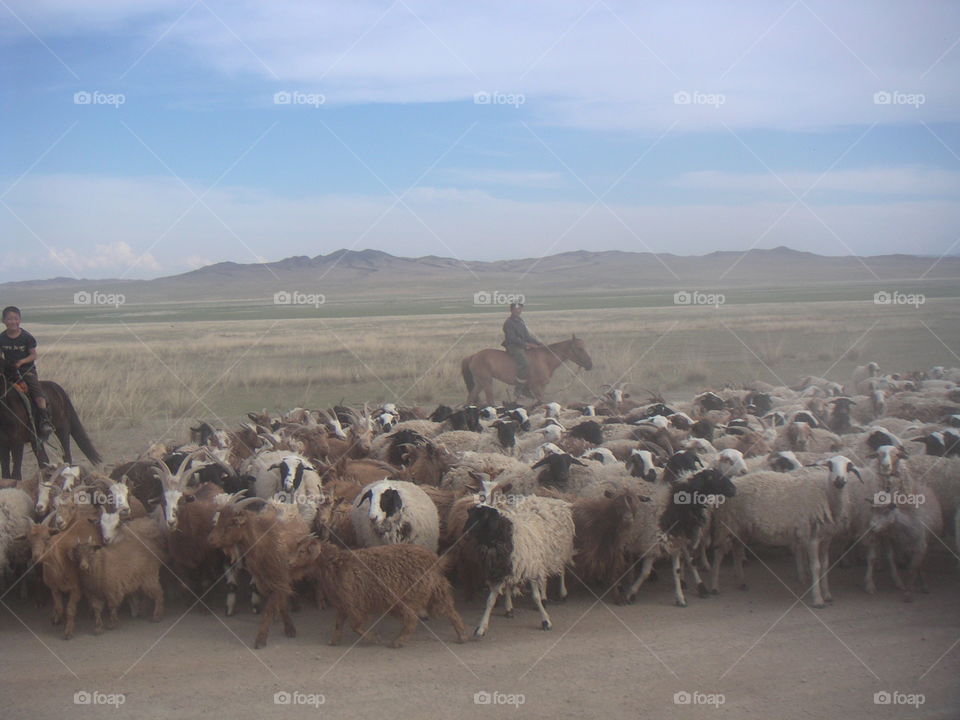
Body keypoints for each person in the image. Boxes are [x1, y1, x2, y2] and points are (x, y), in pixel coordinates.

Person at [1, 306, 54, 438]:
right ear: (3, 321)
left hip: (26, 371)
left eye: (15, 318)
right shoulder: (1, 337)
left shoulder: (27, 337)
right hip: (8, 372)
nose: (12, 321)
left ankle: (44, 420)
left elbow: (33, 355)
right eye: (9, 319)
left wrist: (21, 362)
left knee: (37, 393)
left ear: (20, 320)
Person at [501, 302, 542, 397]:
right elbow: (512, 338)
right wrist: (526, 344)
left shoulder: (520, 321)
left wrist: (538, 343)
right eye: (516, 309)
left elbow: (527, 336)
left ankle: (527, 387)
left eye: (519, 309)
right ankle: (519, 389)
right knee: (524, 363)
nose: (518, 311)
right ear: (511, 310)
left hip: (522, 345)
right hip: (513, 346)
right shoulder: (509, 322)